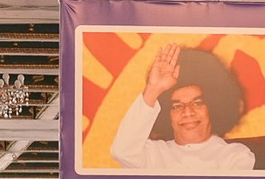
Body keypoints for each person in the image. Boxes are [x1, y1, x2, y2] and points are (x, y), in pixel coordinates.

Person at [108, 41, 256, 171]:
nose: (188, 112)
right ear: (167, 115)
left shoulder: (235, 156)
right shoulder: (153, 154)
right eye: (177, 106)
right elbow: (121, 151)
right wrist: (154, 89)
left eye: (197, 103)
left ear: (213, 108)